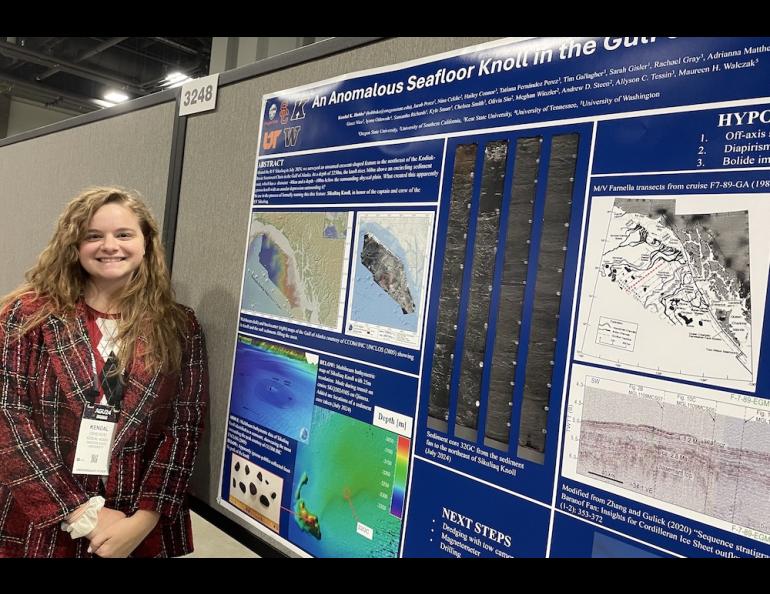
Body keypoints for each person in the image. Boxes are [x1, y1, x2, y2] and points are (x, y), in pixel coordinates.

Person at [0, 186, 209, 558]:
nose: (109, 246)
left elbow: (184, 426)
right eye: (93, 236)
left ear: (146, 243)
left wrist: (144, 519)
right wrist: (82, 514)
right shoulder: (27, 316)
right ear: (74, 246)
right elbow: (8, 419)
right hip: (45, 516)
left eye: (124, 234)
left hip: (134, 521)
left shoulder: (178, 325)